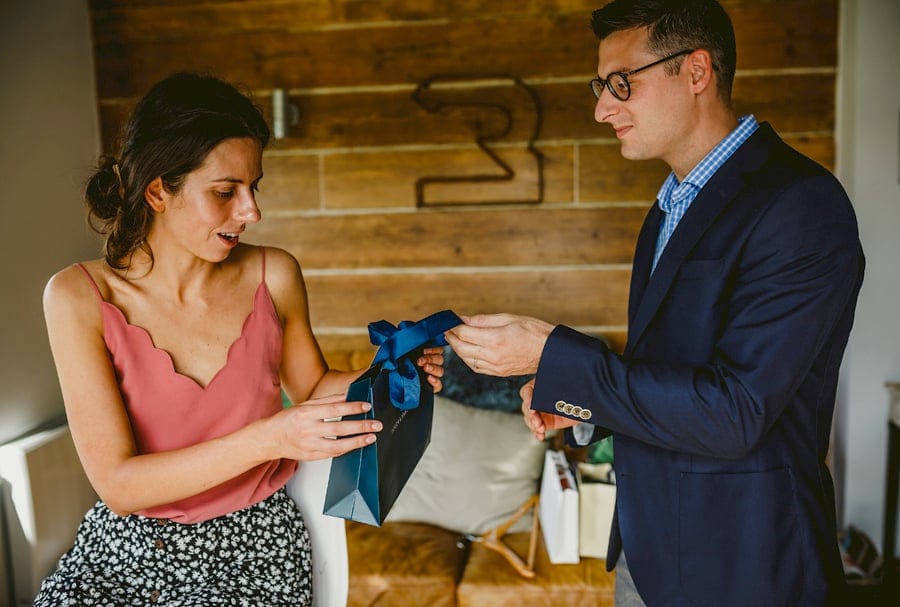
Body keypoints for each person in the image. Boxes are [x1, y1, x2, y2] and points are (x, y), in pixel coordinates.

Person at [445, 1, 864, 605]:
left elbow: (735, 411)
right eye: (601, 86)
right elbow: (672, 371)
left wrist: (552, 354)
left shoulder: (801, 204)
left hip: (742, 565)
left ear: (696, 72)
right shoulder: (669, 208)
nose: (602, 108)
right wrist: (584, 406)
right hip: (646, 550)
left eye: (621, 83)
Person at [35, 72, 444, 606]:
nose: (252, 212)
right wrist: (271, 438)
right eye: (225, 192)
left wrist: (389, 374)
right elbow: (119, 486)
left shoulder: (274, 275)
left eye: (254, 188)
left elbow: (312, 386)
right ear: (157, 191)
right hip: (124, 553)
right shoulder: (77, 297)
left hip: (254, 548)